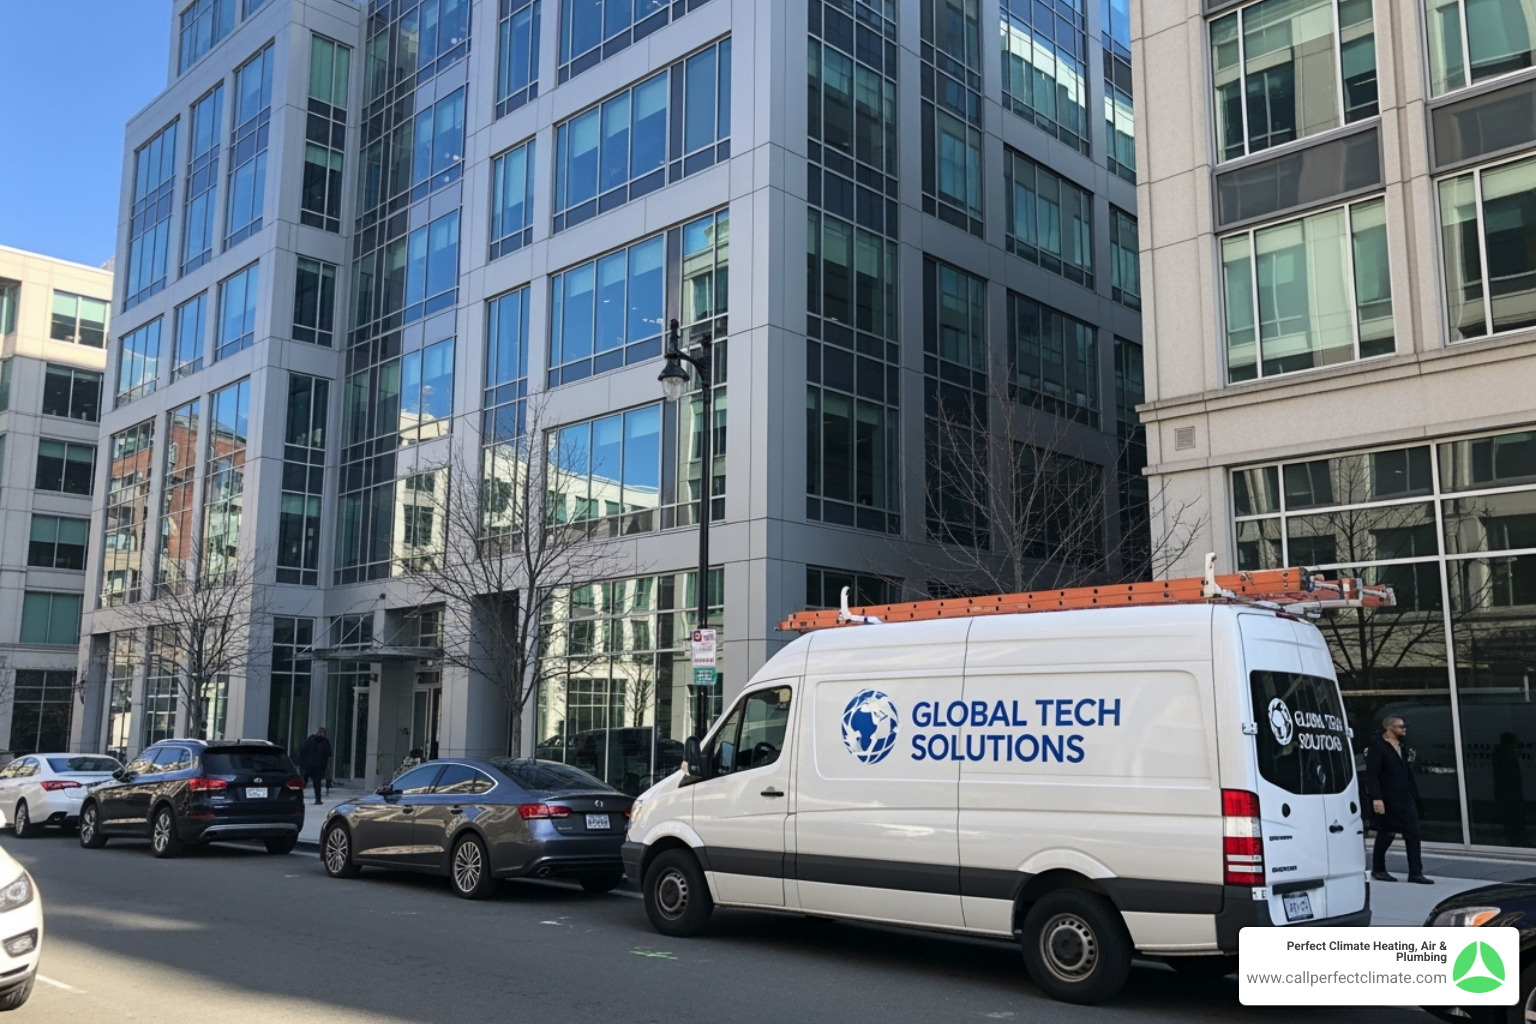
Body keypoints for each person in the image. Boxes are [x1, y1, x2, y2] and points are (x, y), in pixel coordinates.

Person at [1365, 715, 1431, 884]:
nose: (1404, 729)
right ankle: (1379, 868)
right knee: (1387, 832)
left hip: (1406, 795)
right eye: (1400, 726)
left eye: (1404, 726)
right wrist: (1377, 798)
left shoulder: (1403, 746)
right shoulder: (1378, 746)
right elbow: (1372, 774)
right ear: (1389, 727)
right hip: (1388, 796)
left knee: (1413, 832)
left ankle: (1416, 872)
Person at [297, 726, 332, 806]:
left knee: (304, 782)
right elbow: (328, 754)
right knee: (316, 784)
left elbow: (302, 751)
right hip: (317, 766)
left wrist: (302, 763)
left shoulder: (310, 740)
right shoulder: (325, 742)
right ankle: (318, 800)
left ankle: (299, 798)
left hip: (309, 765)